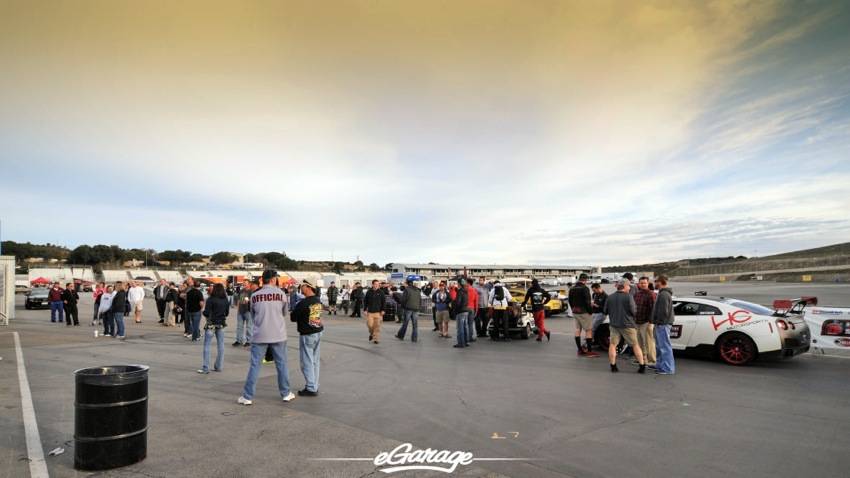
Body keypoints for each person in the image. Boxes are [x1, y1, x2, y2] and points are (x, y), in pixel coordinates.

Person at [237, 270, 295, 405]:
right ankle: (286, 393)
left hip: (260, 335)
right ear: (274, 279)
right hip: (278, 334)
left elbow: (252, 314)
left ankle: (247, 396)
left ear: (263, 280)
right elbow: (284, 312)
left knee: (255, 366)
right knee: (282, 365)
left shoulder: (255, 296)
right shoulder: (281, 294)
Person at [604, 279, 646, 373]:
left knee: (613, 345)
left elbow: (605, 311)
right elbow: (634, 311)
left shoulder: (610, 297)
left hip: (614, 324)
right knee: (635, 345)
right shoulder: (629, 297)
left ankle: (613, 366)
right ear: (624, 286)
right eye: (628, 286)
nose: (630, 287)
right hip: (628, 325)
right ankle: (642, 366)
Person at [291, 279, 324, 396]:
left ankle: (311, 387)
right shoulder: (317, 301)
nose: (301, 287)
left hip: (307, 334)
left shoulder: (303, 303)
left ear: (309, 287)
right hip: (317, 332)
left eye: (303, 285)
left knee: (306, 362)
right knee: (315, 361)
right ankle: (314, 385)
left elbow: (293, 317)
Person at [198, 283, 229, 374]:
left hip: (211, 324)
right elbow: (226, 313)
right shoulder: (225, 300)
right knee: (221, 345)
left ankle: (206, 368)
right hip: (221, 324)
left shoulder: (210, 299)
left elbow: (207, 313)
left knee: (207, 346)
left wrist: (203, 312)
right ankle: (219, 366)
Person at [568, 274, 599, 356]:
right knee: (588, 331)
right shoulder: (585, 288)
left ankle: (579, 350)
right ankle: (589, 351)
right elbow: (587, 302)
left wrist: (573, 309)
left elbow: (570, 300)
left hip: (575, 311)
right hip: (584, 312)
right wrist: (591, 311)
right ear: (585, 280)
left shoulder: (572, 288)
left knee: (578, 329)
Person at [651, 275, 676, 375]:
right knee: (660, 346)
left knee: (665, 347)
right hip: (662, 324)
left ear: (660, 282)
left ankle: (667, 368)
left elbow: (663, 311)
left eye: (655, 281)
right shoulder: (662, 293)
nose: (654, 283)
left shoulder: (664, 294)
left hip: (663, 324)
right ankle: (660, 365)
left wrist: (658, 321)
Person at [634, 276, 658, 367]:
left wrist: (651, 322)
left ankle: (652, 360)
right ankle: (641, 359)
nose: (643, 284)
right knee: (639, 342)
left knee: (648, 342)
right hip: (637, 321)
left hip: (647, 322)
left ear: (648, 284)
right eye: (641, 283)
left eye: (645, 283)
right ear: (638, 284)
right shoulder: (637, 294)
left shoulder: (651, 294)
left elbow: (653, 309)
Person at [363, 280, 386, 344]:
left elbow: (384, 302)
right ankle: (372, 334)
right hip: (370, 312)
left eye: (378, 284)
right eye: (375, 284)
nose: (377, 285)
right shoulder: (368, 292)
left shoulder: (381, 292)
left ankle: (376, 339)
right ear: (372, 284)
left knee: (377, 326)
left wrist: (383, 310)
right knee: (370, 325)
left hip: (378, 313)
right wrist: (365, 310)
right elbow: (365, 301)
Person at [233, 279, 254, 347]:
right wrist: (238, 309)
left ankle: (249, 341)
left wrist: (248, 299)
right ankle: (239, 340)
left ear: (249, 284)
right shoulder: (241, 291)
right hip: (241, 311)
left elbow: (252, 301)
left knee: (249, 327)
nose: (244, 284)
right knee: (239, 326)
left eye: (245, 283)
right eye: (243, 283)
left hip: (248, 311)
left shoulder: (251, 291)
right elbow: (239, 300)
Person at [452, 278, 470, 348]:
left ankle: (461, 343)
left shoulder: (460, 292)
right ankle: (466, 342)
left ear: (459, 284)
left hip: (461, 311)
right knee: (465, 327)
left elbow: (458, 303)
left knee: (460, 328)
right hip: (466, 310)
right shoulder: (466, 291)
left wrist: (454, 306)